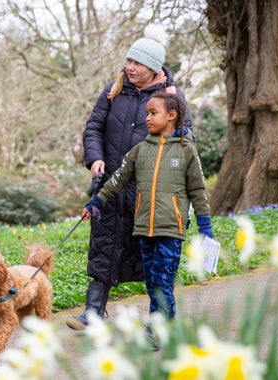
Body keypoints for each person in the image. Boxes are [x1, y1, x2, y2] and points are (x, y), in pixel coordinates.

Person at [66, 25, 193, 330]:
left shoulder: (171, 97)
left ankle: (158, 322)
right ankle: (93, 313)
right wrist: (95, 158)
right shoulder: (113, 90)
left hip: (148, 191)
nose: (130, 67)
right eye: (129, 61)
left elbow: (185, 140)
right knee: (103, 244)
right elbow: (93, 127)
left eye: (137, 63)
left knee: (153, 257)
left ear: (152, 68)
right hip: (110, 184)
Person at [80, 91, 213, 320]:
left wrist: (205, 225)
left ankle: (157, 328)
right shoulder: (140, 150)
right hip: (143, 229)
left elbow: (198, 190)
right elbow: (117, 180)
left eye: (153, 113)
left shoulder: (186, 149)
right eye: (147, 113)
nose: (147, 118)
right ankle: (165, 324)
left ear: (171, 115)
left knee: (162, 282)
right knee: (152, 283)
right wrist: (97, 201)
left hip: (171, 229)